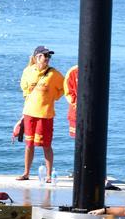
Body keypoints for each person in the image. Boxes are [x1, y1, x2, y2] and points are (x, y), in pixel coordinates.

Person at [16, 45, 65, 181]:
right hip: (29, 113)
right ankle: (26, 173)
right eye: (45, 55)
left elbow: (64, 87)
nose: (48, 58)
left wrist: (53, 96)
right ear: (37, 57)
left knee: (46, 145)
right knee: (29, 144)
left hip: (45, 114)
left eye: (49, 56)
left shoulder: (53, 74)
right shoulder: (28, 71)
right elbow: (25, 90)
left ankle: (49, 175)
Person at [64, 63, 79, 138]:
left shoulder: (98, 70)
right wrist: (75, 103)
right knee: (78, 138)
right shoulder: (73, 71)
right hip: (75, 111)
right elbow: (67, 91)